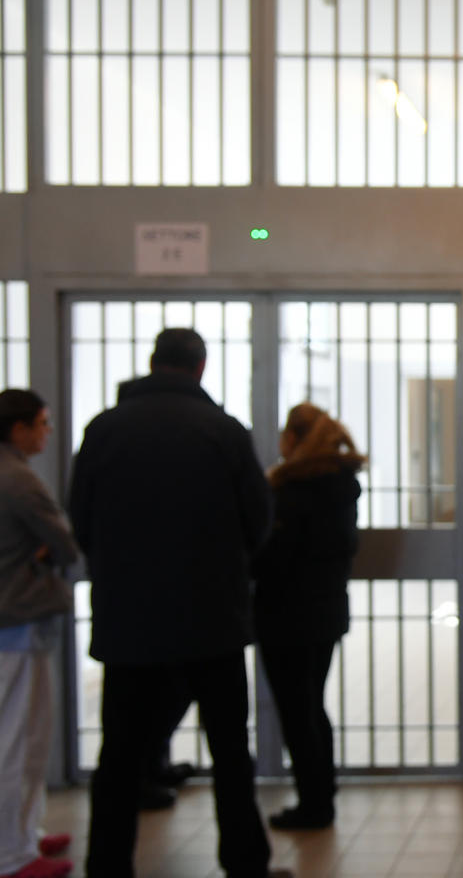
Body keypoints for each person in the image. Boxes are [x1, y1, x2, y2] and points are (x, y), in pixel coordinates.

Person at [68, 329, 290, 878]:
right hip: (212, 619)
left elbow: (81, 520)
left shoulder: (104, 429)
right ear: (200, 366)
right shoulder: (223, 430)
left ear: (153, 362)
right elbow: (259, 522)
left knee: (120, 755)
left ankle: (107, 867)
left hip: (128, 622)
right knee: (229, 751)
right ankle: (244, 864)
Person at [252, 404, 364, 830]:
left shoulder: (292, 491)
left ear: (294, 439)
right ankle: (322, 793)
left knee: (297, 712)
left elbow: (273, 557)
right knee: (312, 706)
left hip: (286, 615)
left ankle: (314, 804)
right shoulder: (341, 486)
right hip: (326, 611)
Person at [0, 390, 77, 878]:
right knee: (18, 738)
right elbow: (63, 543)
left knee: (20, 734)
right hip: (17, 618)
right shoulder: (18, 479)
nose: (46, 433)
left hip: (11, 618)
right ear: (19, 428)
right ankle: (13, 854)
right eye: (42, 424)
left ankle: (24, 834)